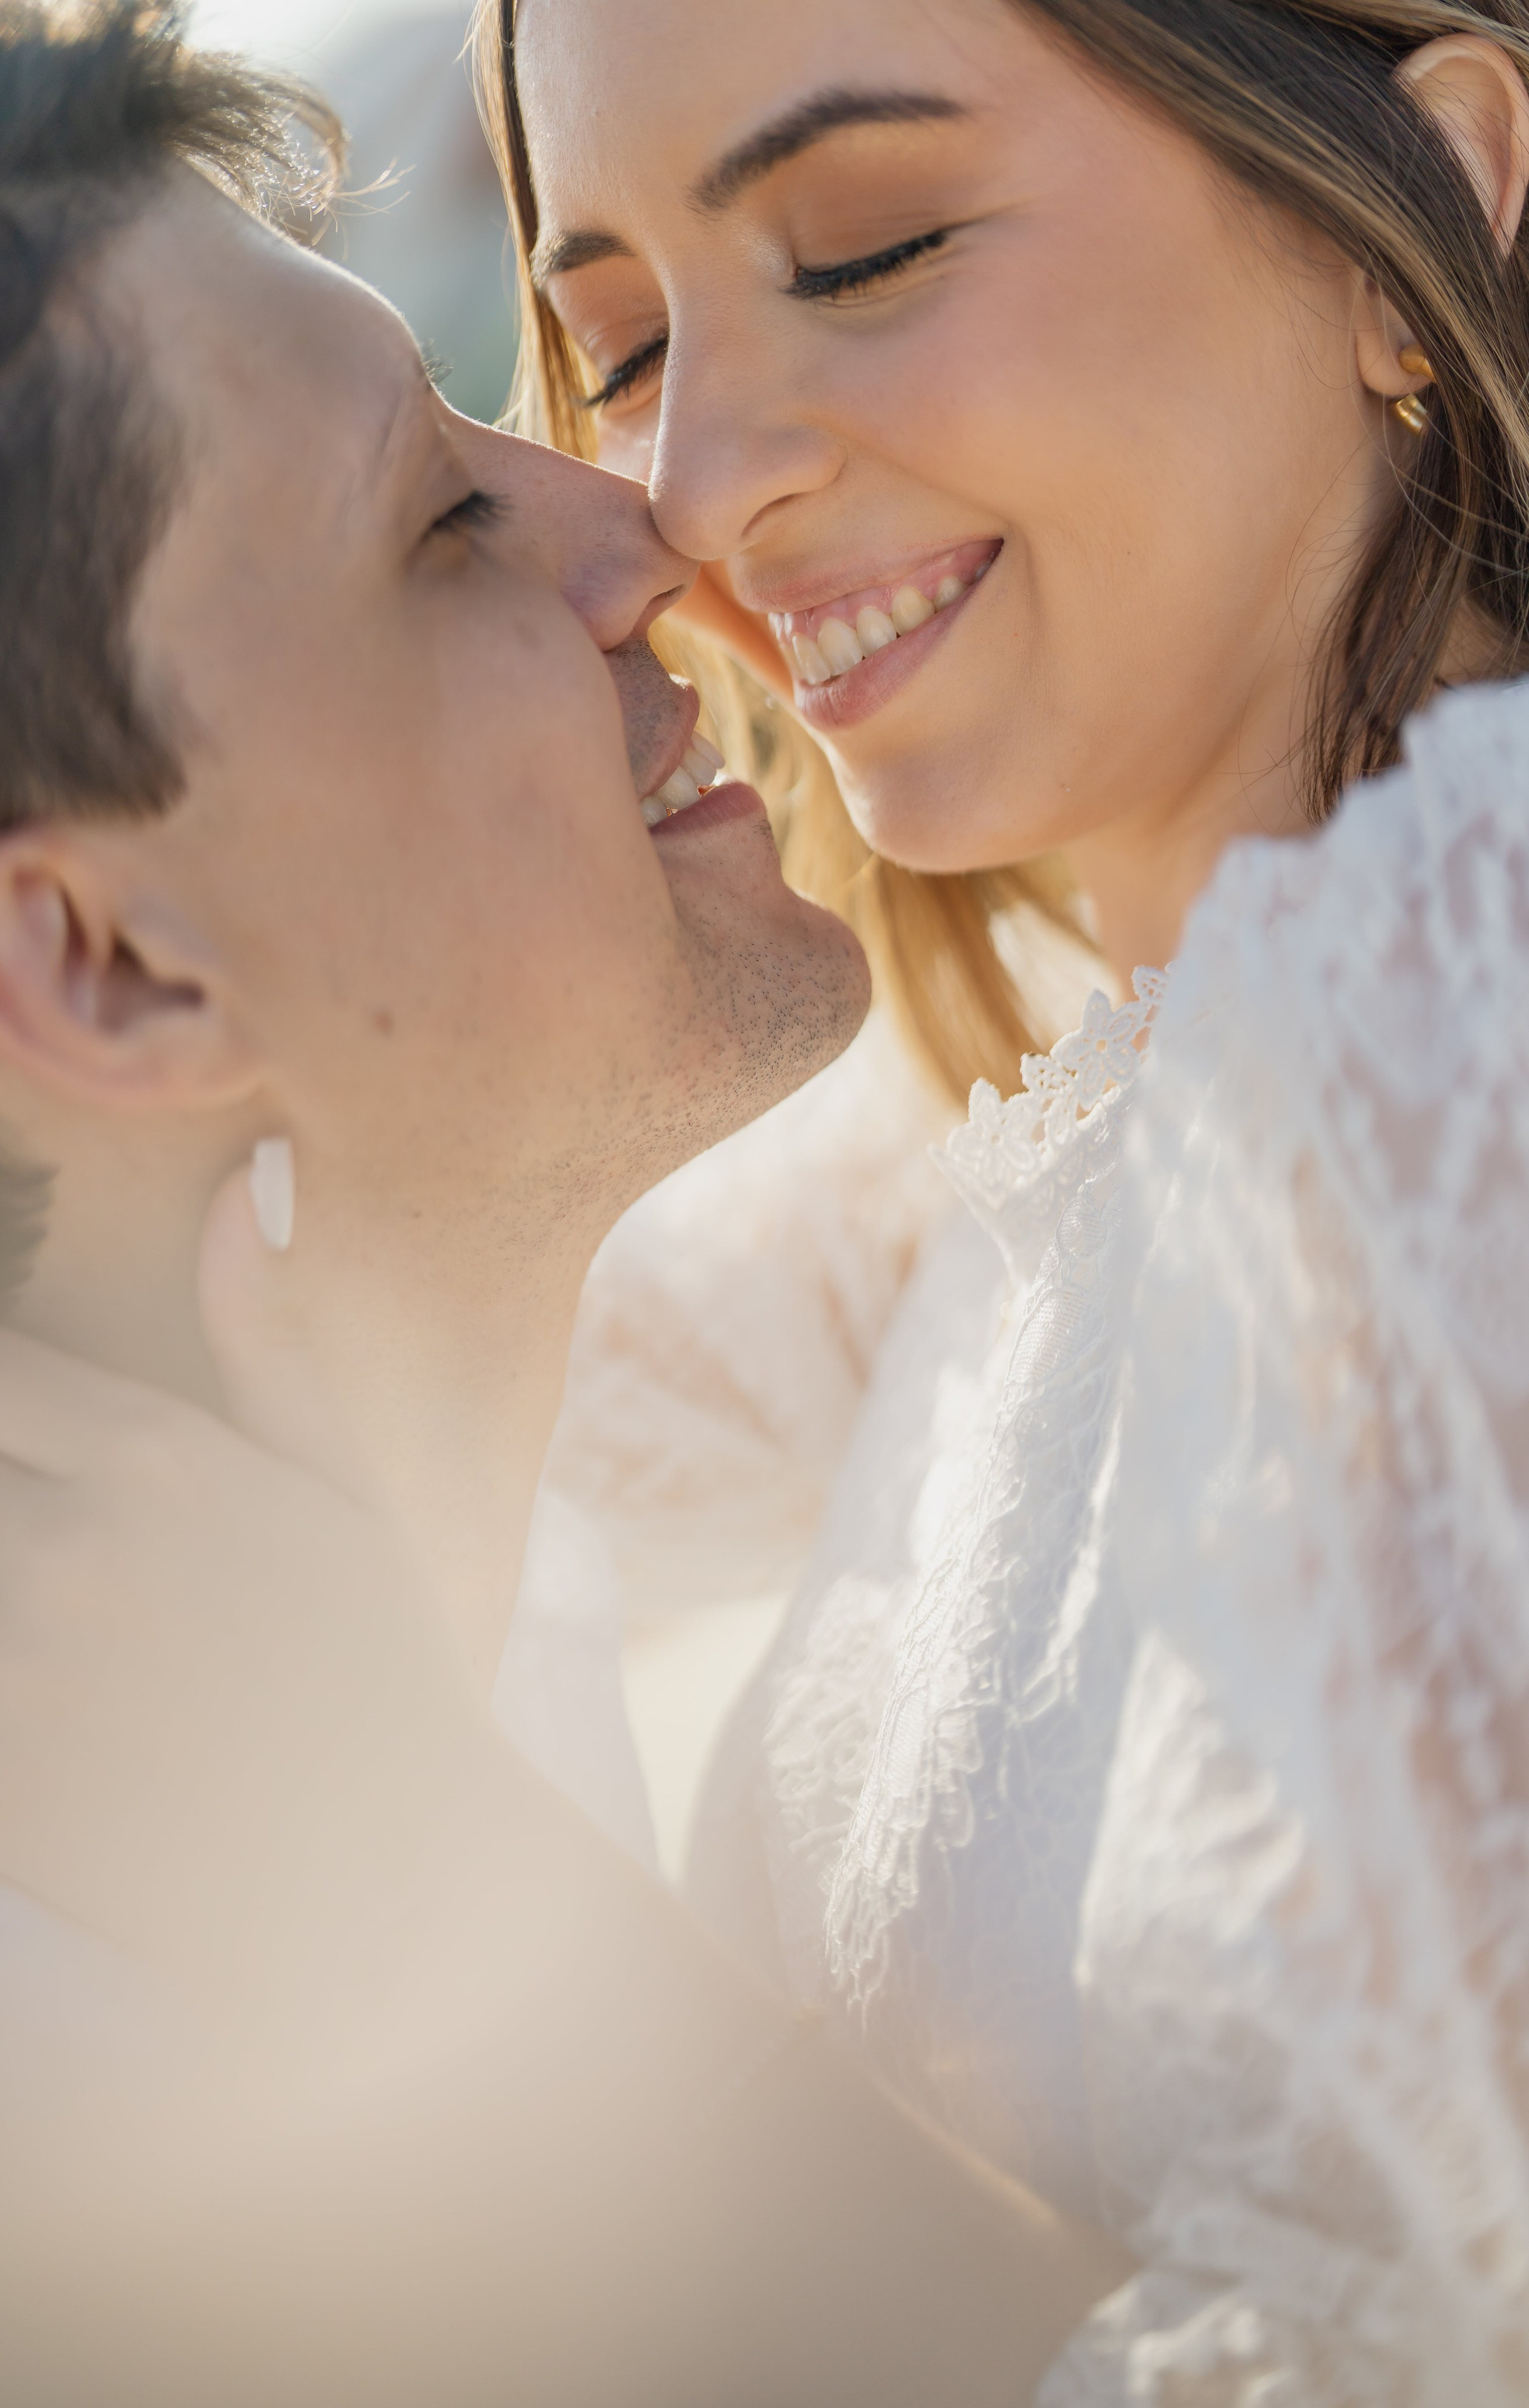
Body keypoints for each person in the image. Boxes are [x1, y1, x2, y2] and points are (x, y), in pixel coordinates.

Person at [0, 4, 1133, 2400]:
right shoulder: (22, 2145)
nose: (644, 530)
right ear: (101, 966)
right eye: (441, 526)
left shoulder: (465, 1607)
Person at [462, 0, 1529, 2393]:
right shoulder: (1000, 1148)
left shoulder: (1477, 1031)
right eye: (625, 348)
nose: (698, 486)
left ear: (1417, 227)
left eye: (868, 248)